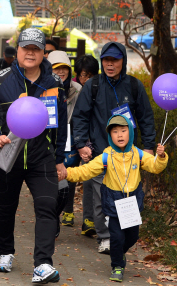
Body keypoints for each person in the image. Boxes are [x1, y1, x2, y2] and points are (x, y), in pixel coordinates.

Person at [0, 28, 67, 283]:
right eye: (26, 48)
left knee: (48, 207)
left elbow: (61, 124)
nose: (30, 53)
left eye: (36, 49)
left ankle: (43, 264)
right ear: (17, 51)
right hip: (8, 156)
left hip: (42, 158)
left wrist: (59, 158)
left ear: (43, 53)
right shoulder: (0, 79)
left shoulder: (54, 84)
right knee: (6, 209)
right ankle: (5, 252)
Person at [72, 42, 156, 255]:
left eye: (115, 60)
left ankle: (123, 235)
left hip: (128, 155)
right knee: (102, 197)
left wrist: (149, 147)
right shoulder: (93, 86)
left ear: (122, 62)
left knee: (127, 196)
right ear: (102, 62)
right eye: (106, 60)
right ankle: (105, 237)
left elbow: (146, 118)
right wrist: (81, 144)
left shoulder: (134, 86)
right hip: (100, 152)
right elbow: (80, 116)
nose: (110, 65)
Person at [66, 115, 167, 283]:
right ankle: (117, 266)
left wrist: (161, 157)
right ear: (110, 136)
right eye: (115, 132)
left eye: (123, 131)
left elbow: (155, 167)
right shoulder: (106, 157)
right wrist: (67, 173)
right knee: (116, 237)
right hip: (113, 204)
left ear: (130, 133)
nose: (120, 135)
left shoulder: (138, 154)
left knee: (132, 236)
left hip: (132, 204)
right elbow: (86, 171)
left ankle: (119, 253)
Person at [47, 50, 83, 228]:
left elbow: (82, 114)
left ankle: (68, 210)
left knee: (69, 175)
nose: (61, 72)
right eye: (56, 68)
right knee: (51, 178)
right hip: (49, 137)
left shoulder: (77, 90)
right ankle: (51, 214)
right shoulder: (44, 88)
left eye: (64, 68)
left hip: (71, 136)